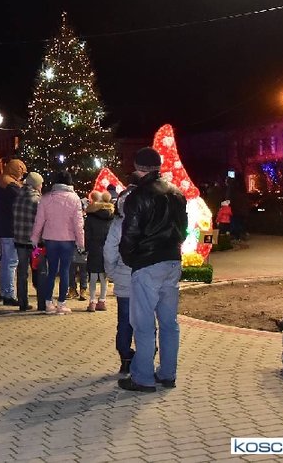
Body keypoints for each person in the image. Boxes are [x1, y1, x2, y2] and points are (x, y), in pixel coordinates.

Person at [118, 147, 188, 393]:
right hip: (172, 260)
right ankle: (168, 373)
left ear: (138, 168)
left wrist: (131, 258)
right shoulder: (176, 193)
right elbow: (183, 227)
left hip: (147, 263)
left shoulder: (139, 196)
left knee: (144, 324)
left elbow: (130, 233)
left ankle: (143, 377)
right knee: (169, 322)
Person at [31, 171, 85, 315]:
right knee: (65, 271)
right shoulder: (74, 198)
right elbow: (78, 223)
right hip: (68, 240)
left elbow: (39, 221)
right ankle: (61, 304)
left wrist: (34, 238)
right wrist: (81, 242)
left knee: (51, 271)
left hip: (50, 239)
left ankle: (48, 303)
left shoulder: (46, 198)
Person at [104, 173, 139, 374]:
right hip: (146, 277)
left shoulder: (118, 223)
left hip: (125, 278)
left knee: (124, 322)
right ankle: (145, 359)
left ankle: (125, 357)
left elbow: (109, 251)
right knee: (145, 321)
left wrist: (112, 273)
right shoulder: (150, 219)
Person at [0, 159, 27, 306]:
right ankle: (8, 294)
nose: (22, 175)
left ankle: (3, 292)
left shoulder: (2, 181)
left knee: (6, 261)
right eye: (21, 172)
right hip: (10, 228)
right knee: (11, 262)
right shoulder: (10, 185)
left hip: (3, 227)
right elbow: (22, 200)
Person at [13, 171, 43, 311]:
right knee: (39, 270)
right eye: (40, 184)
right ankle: (42, 303)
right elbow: (41, 221)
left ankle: (22, 303)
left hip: (20, 241)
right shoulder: (36, 200)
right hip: (35, 244)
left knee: (22, 272)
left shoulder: (18, 197)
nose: (41, 186)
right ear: (36, 185)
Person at [84, 190, 114, 312]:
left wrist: (86, 248)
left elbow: (87, 234)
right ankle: (102, 301)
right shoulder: (111, 216)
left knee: (92, 276)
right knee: (104, 277)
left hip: (94, 248)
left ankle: (92, 302)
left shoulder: (91, 216)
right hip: (107, 248)